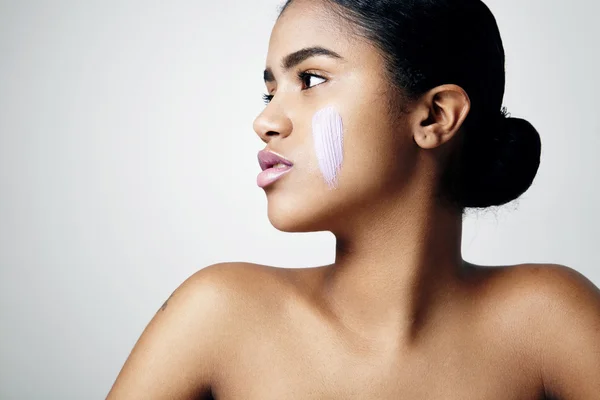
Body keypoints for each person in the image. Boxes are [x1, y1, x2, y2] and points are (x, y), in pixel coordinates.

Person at [107, 0, 600, 398]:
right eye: (270, 92)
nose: (266, 122)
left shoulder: (547, 320)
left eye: (311, 80)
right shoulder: (219, 314)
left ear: (434, 116)